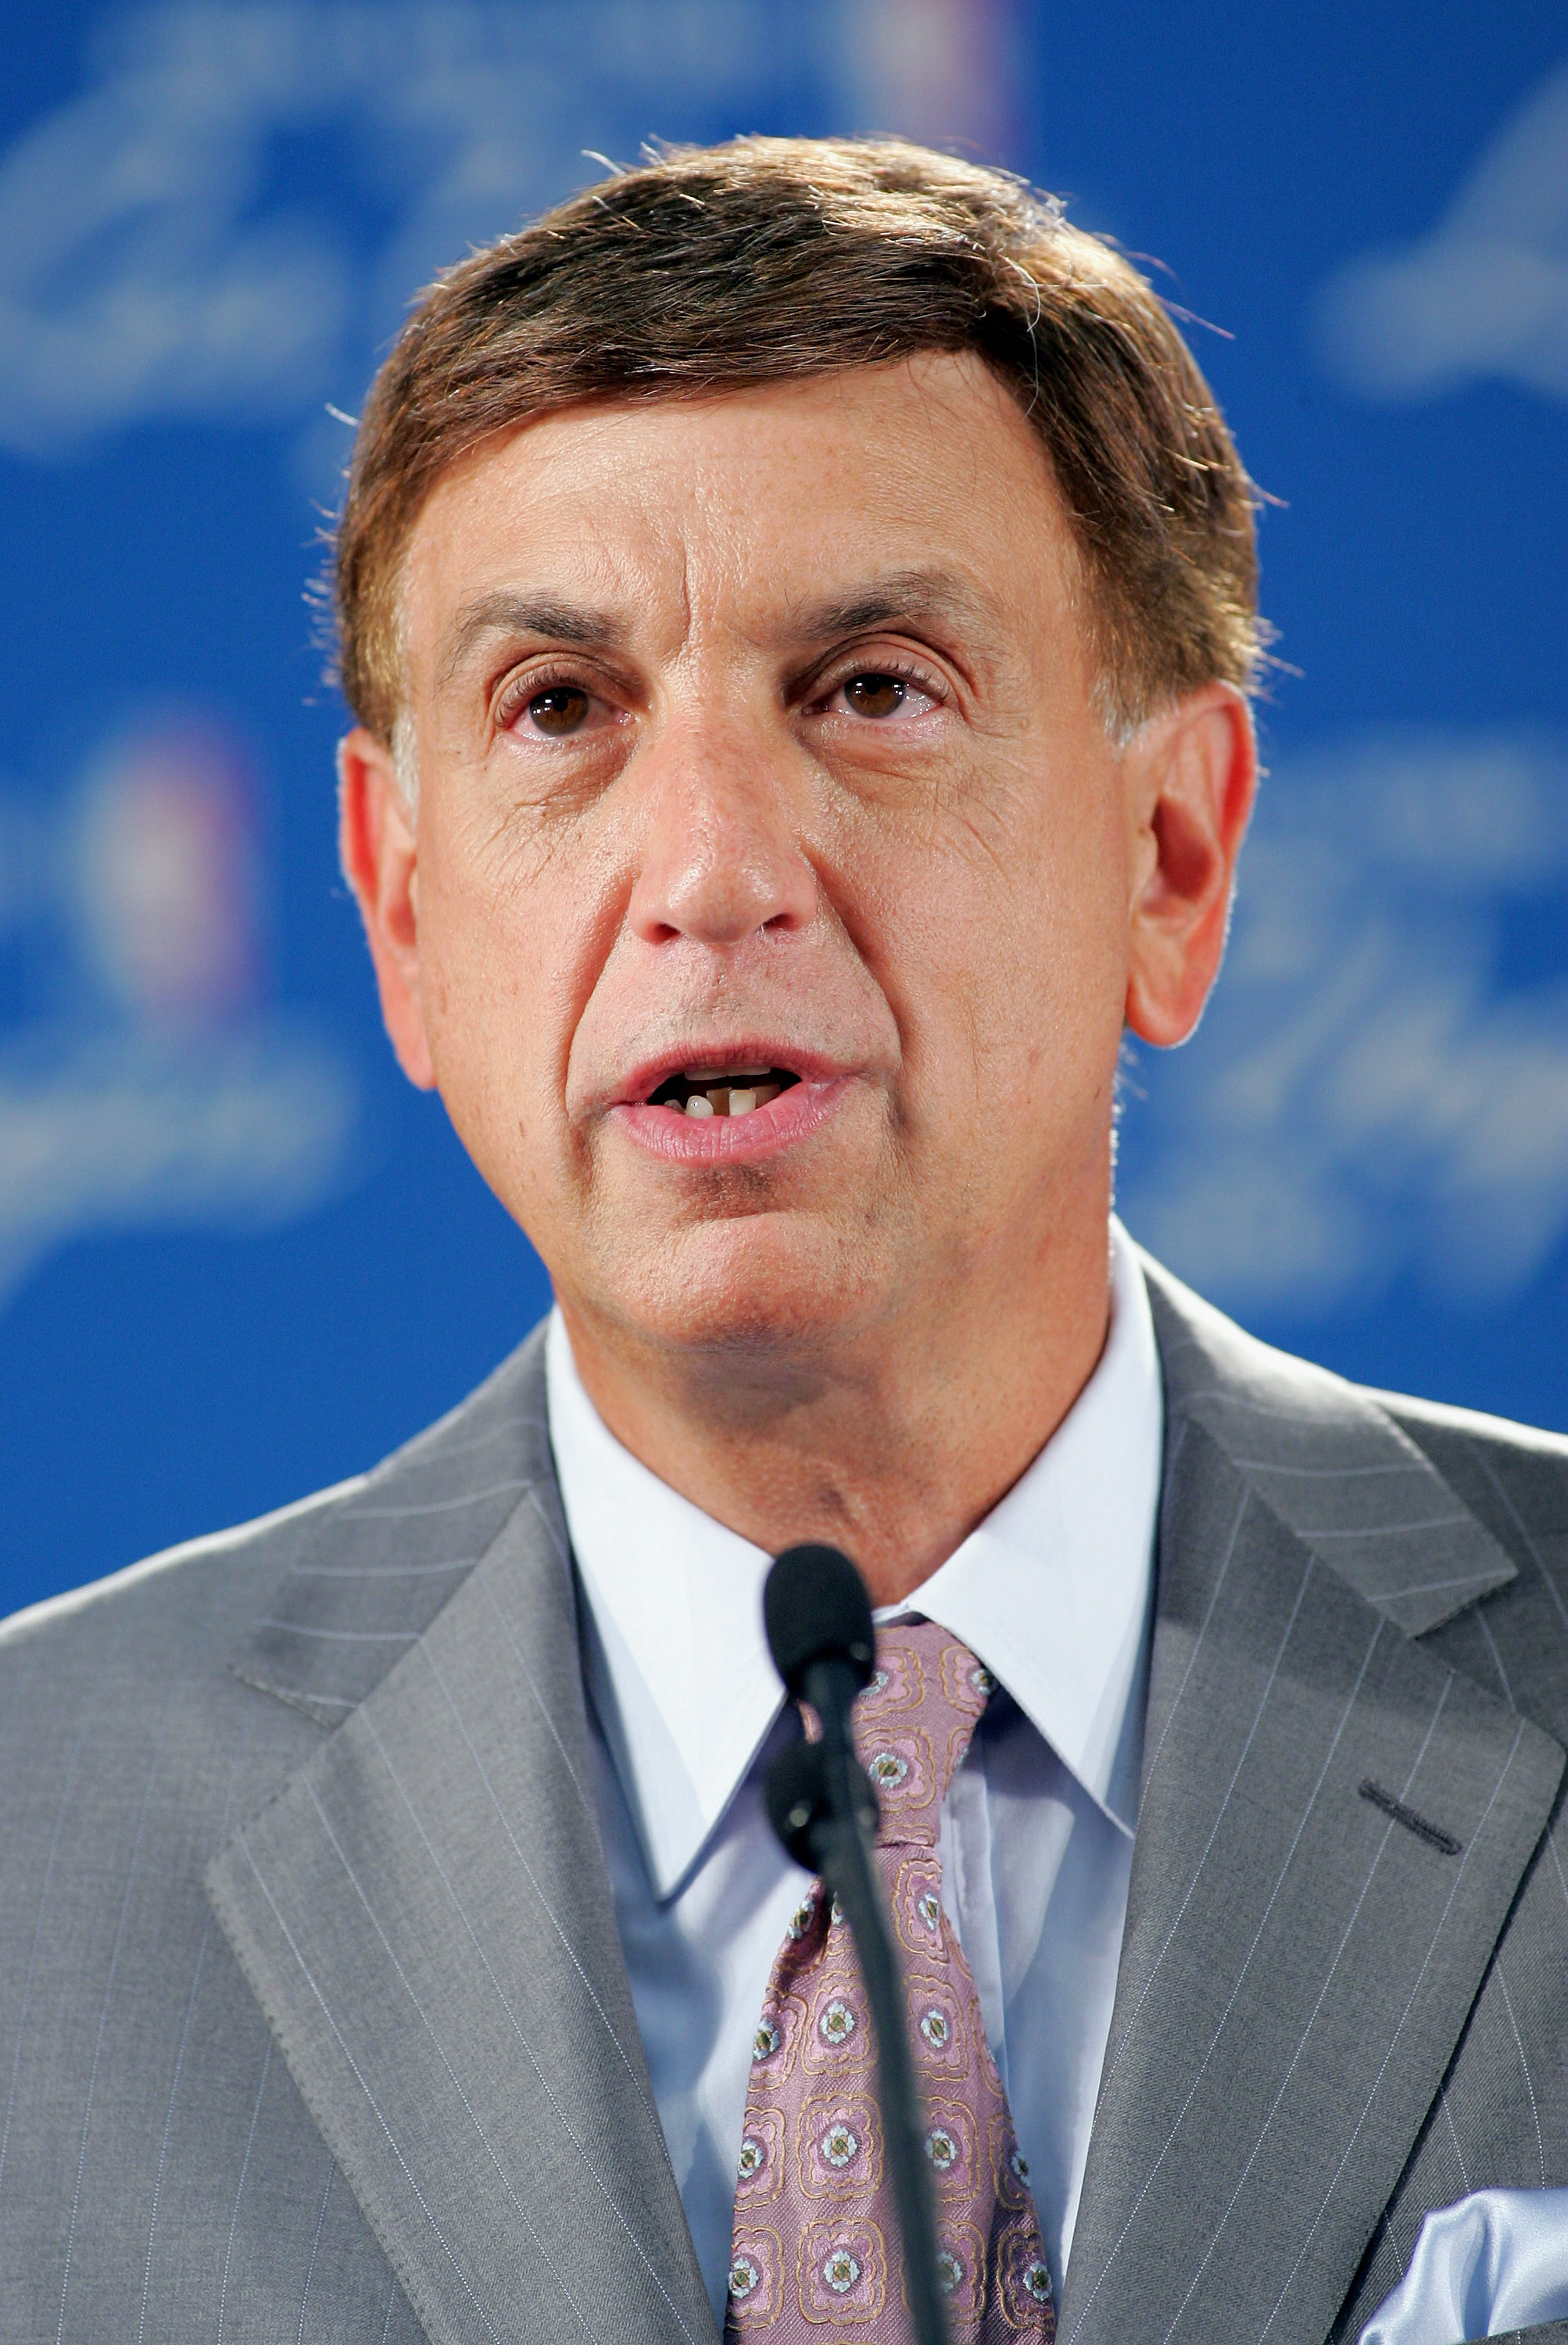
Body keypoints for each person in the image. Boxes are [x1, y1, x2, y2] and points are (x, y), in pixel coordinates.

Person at [2, 136, 1566, 2345]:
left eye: (873, 689)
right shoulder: (23, 1859)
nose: (712, 870)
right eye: (562, 711)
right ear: (406, 909)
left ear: (1176, 854)